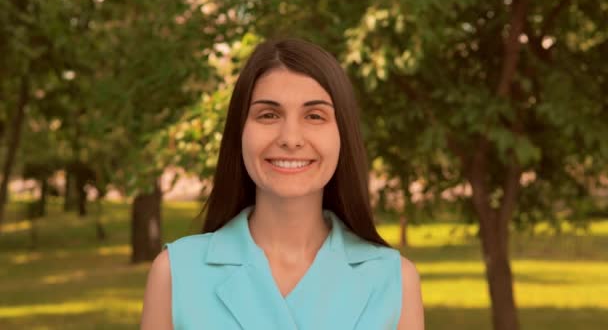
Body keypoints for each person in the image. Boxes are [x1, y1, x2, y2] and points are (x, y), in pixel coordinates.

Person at [140, 38, 424, 329]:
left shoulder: (395, 281)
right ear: (240, 133)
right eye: (268, 115)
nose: (290, 138)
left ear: (343, 136)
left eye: (314, 116)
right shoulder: (175, 273)